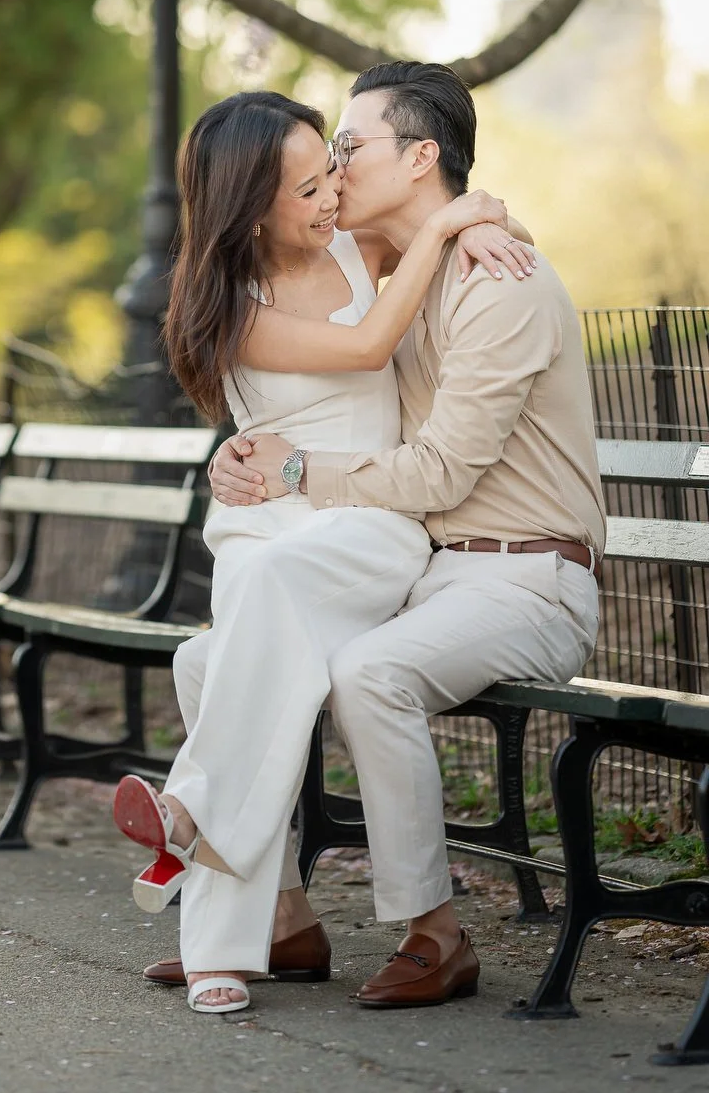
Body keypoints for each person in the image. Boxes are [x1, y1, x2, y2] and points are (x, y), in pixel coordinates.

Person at [111, 87, 533, 1014]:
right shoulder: (228, 306)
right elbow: (370, 345)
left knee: (219, 652)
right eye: (306, 189)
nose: (332, 194)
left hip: (368, 522)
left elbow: (431, 208)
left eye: (330, 169)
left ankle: (195, 814)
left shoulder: (357, 240)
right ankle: (241, 942)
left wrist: (476, 213)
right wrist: (451, 226)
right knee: (214, 652)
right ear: (246, 208)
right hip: (269, 523)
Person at [209, 62, 604, 1011]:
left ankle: (436, 932)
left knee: (368, 675)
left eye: (349, 148)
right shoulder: (401, 272)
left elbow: (438, 474)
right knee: (218, 653)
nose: (331, 172)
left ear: (421, 156)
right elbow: (314, 394)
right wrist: (233, 457)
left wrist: (295, 474)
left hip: (528, 580)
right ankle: (274, 920)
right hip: (430, 576)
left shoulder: (493, 278)